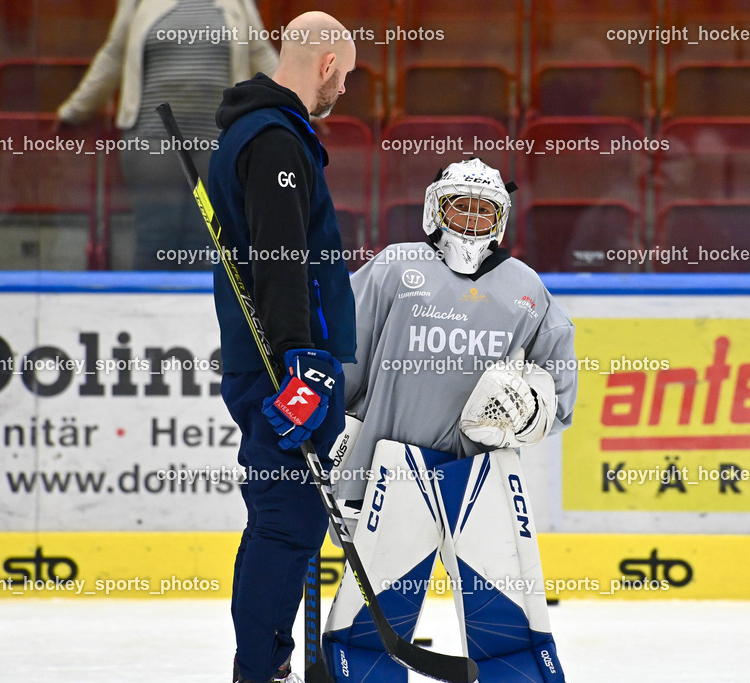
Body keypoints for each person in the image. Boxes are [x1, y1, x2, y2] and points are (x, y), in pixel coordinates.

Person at [322, 158, 577, 681]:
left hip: (482, 476)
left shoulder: (525, 288)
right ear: (435, 210)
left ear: (501, 220)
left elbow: (561, 390)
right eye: (460, 205)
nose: (471, 219)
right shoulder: (395, 268)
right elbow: (341, 358)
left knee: (510, 631)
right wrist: (340, 449)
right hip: (392, 472)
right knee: (367, 632)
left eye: (485, 210)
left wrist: (528, 409)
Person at [205, 11, 357, 683]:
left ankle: (270, 659)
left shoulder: (262, 131)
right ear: (326, 64)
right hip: (284, 366)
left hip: (281, 361)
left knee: (286, 517)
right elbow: (281, 259)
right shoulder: (272, 139)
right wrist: (304, 363)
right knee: (285, 522)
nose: (343, 91)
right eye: (345, 77)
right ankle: (258, 668)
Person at [56, 0, 277, 270]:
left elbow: (260, 53)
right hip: (151, 141)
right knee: (155, 237)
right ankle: (147, 313)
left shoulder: (238, 2)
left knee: (210, 243)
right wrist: (75, 110)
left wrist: (301, 106)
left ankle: (204, 313)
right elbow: (114, 55)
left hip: (219, 140)